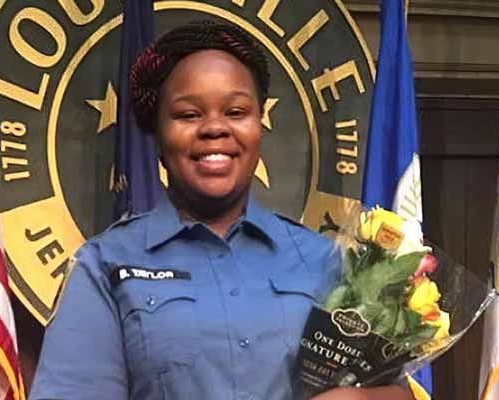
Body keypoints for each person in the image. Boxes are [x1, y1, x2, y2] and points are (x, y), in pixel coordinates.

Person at [29, 21, 414, 400]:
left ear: (259, 125)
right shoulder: (104, 265)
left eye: (236, 111)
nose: (215, 128)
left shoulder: (324, 261)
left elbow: (395, 392)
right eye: (188, 115)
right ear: (157, 136)